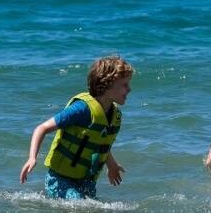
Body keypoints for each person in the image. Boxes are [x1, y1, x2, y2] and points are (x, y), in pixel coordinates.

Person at [19, 55, 134, 200]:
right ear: (108, 85)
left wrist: (112, 165)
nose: (129, 89)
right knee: (84, 208)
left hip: (86, 181)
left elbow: (100, 143)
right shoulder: (82, 109)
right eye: (124, 84)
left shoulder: (113, 114)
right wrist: (32, 158)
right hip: (61, 179)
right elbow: (42, 128)